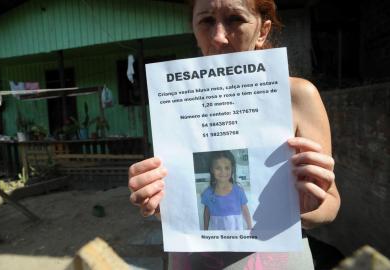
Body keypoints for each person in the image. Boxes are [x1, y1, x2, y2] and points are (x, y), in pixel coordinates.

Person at [128, 0, 341, 268]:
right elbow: (178, 204)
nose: (218, 36)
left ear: (262, 31)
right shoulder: (175, 102)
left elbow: (331, 205)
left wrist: (303, 206)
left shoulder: (298, 95)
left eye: (234, 20)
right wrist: (159, 201)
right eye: (206, 21)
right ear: (194, 29)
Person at [201, 151, 252, 231]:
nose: (223, 172)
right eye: (218, 168)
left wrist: (250, 226)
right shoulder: (208, 193)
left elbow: (245, 210)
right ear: (211, 169)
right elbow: (206, 213)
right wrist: (205, 230)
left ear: (232, 169)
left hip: (237, 233)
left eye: (227, 168)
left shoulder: (238, 191)